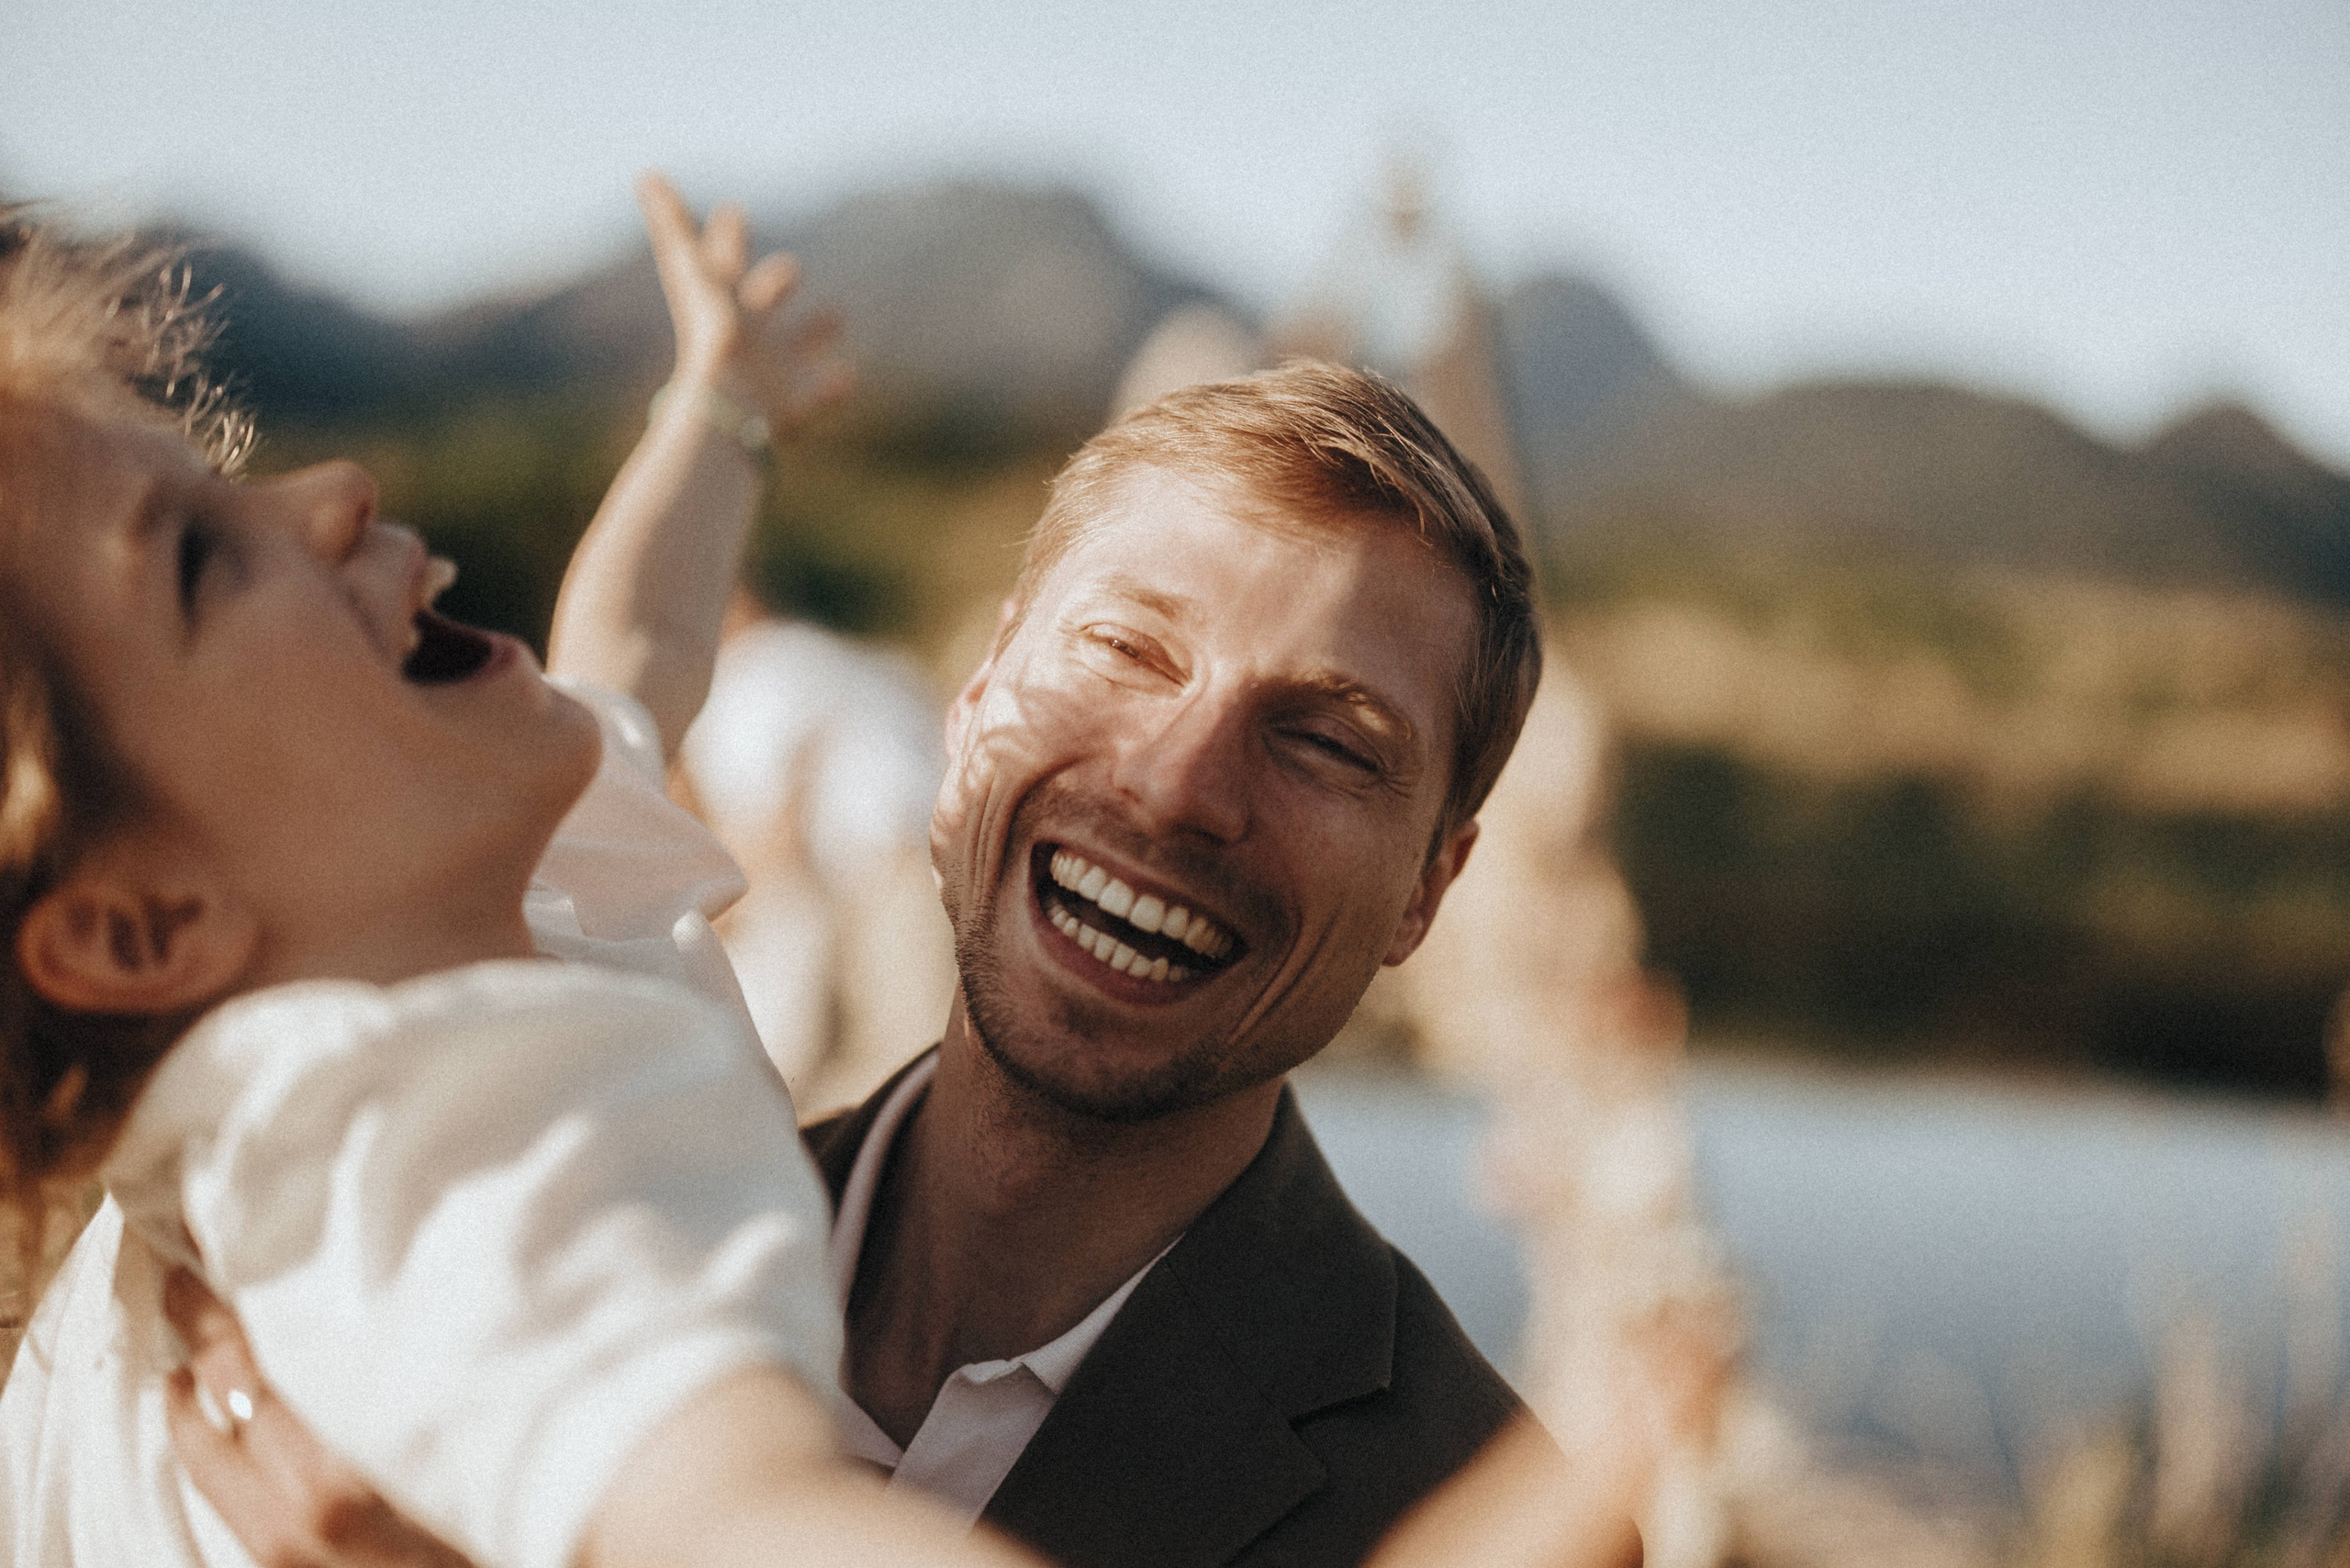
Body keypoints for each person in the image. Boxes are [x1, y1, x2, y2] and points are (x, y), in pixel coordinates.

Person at [167, 363, 1648, 1568]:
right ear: (976, 695)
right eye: (1128, 650)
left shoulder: (1479, 1512)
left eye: (1325, 741)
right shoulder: (591, 1217)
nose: (1176, 785)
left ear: (1428, 888)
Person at [0, 179, 1041, 1568]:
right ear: (141, 929)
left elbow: (638, 638)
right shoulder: (412, 1150)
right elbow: (740, 1520)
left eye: (229, 487)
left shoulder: (499, 885)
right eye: (198, 560)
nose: (334, 489)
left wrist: (720, 408)